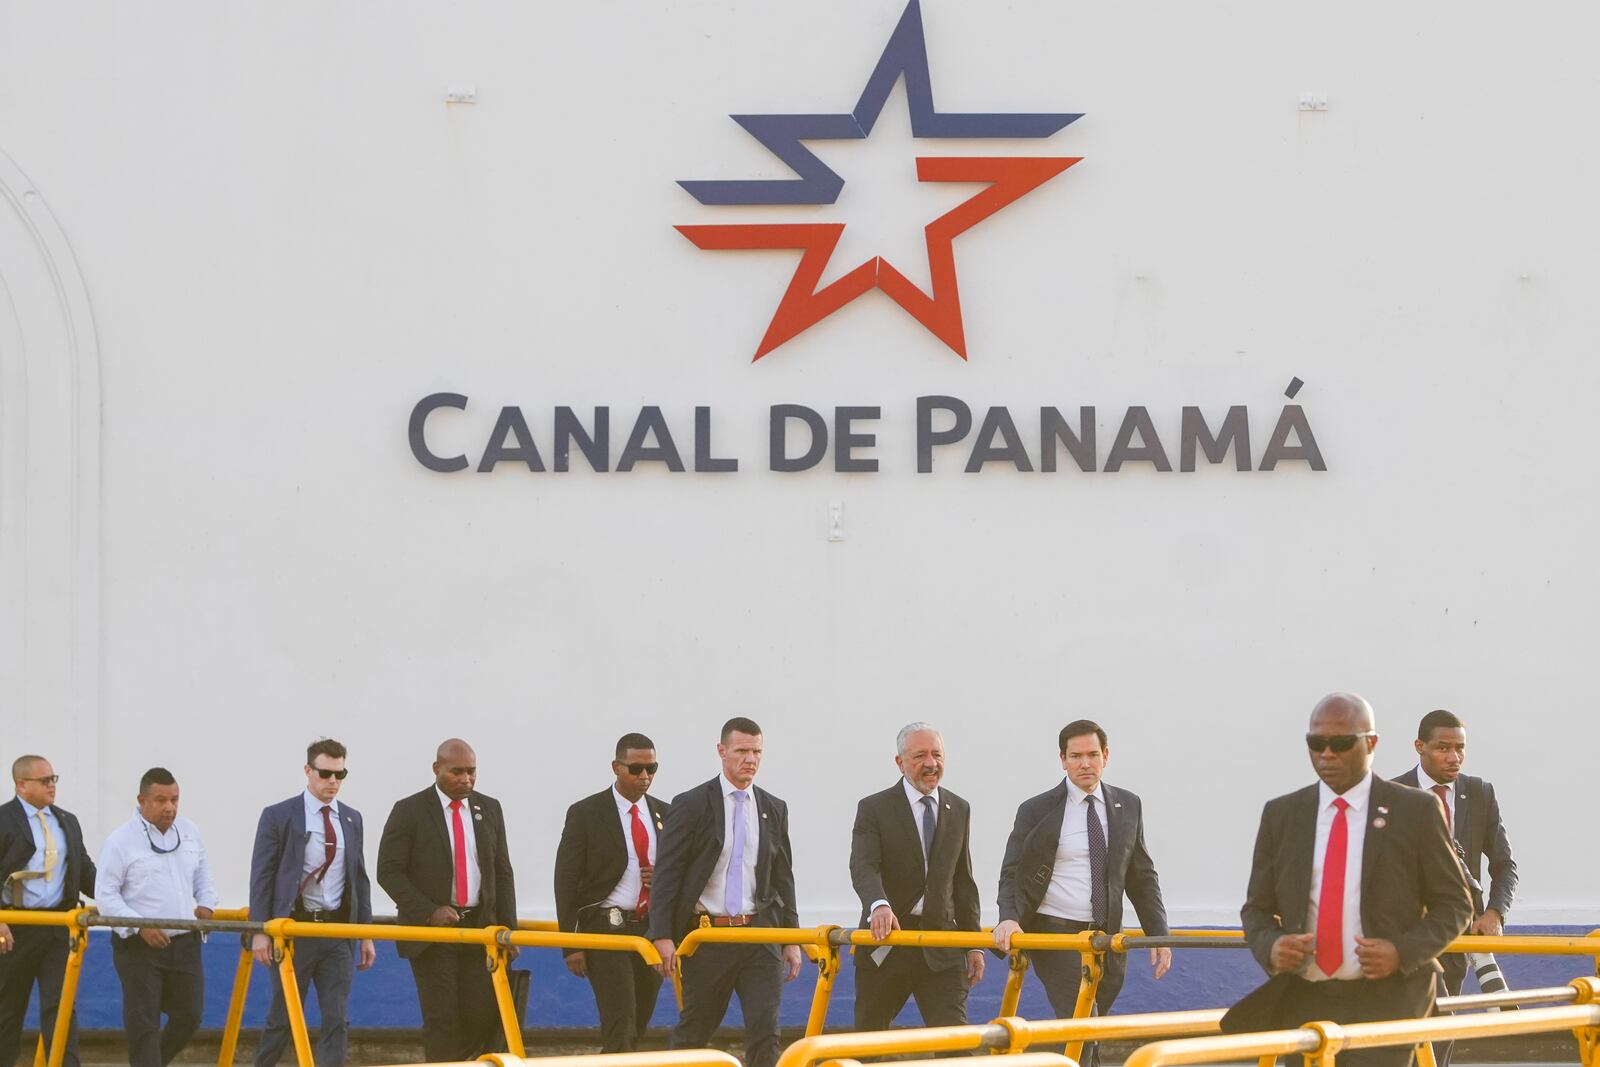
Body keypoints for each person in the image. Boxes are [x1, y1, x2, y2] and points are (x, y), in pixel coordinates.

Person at [1225, 693, 1474, 1067]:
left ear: (1370, 743)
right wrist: (1272, 947)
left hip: (1388, 1000)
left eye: (1341, 744)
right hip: (1304, 998)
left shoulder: (1415, 811)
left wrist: (1401, 952)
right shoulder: (1283, 815)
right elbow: (1256, 910)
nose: (1327, 754)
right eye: (1316, 743)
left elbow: (1455, 905)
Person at [994, 721, 1172, 1067]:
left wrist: (1159, 935)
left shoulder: (1128, 805)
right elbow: (1013, 871)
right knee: (1082, 1019)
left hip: (1107, 937)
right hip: (1056, 936)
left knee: (1088, 1030)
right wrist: (1009, 918)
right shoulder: (1036, 809)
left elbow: (1142, 876)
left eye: (1092, 754)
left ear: (1105, 756)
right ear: (1062, 760)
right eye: (1076, 756)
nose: (1085, 763)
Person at [648, 718, 802, 1067]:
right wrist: (662, 934)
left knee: (766, 1030)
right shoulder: (691, 804)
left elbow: (783, 877)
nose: (750, 759)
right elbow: (667, 874)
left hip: (760, 935)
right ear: (722, 751)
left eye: (757, 752)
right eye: (742, 751)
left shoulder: (773, 807)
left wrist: (791, 938)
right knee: (695, 1029)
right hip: (708, 937)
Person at [376, 738, 518, 1063]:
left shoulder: (489, 808)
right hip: (432, 937)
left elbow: (502, 871)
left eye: (471, 772)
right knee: (443, 1020)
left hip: (480, 931)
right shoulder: (409, 810)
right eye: (457, 772)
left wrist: (508, 929)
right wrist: (429, 912)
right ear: (437, 768)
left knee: (480, 1015)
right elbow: (389, 871)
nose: (466, 779)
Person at [1394, 709, 1518, 1067]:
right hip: (1407, 936)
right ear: (1420, 747)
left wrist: (1495, 912)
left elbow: (1504, 863)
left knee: (1441, 1030)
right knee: (1426, 1023)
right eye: (1443, 747)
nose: (1454, 757)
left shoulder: (1478, 794)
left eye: (1460, 748)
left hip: (1458, 937)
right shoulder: (1392, 793)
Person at [248, 738, 377, 1067]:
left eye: (340, 774)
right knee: (283, 1017)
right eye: (325, 773)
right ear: (308, 771)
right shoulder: (279, 816)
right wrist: (260, 931)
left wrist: (365, 933)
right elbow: (262, 877)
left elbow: (358, 878)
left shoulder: (351, 819)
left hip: (336, 932)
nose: (333, 781)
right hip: (294, 930)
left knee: (337, 1017)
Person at [848, 722, 984, 1031]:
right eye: (920, 755)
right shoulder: (874, 808)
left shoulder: (958, 808)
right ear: (900, 762)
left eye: (937, 755)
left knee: (955, 1044)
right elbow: (863, 866)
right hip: (888, 941)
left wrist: (974, 943)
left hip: (942, 945)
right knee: (868, 1043)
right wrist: (878, 904)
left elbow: (963, 881)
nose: (931, 764)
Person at [554, 733, 672, 1052]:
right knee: (620, 1021)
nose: (644, 777)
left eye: (652, 769)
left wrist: (661, 878)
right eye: (636, 769)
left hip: (648, 929)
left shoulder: (666, 813)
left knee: (640, 1021)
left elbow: (680, 873)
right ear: (616, 767)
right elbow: (566, 880)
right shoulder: (587, 813)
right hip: (605, 930)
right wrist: (571, 944)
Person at [96, 768, 218, 1067]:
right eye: (161, 800)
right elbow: (106, 895)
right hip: (140, 948)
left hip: (184, 941)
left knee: (190, 1015)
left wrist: (206, 903)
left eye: (175, 800)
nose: (170, 807)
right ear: (142, 800)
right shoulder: (120, 841)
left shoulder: (189, 831)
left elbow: (203, 874)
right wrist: (140, 926)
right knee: (144, 1023)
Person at [0, 756, 96, 1067]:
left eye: (54, 778)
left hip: (58, 927)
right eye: (45, 780)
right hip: (14, 928)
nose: (52, 785)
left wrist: (119, 897)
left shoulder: (67, 820)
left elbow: (85, 871)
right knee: (7, 1010)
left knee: (61, 1008)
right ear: (22, 785)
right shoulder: (3, 820)